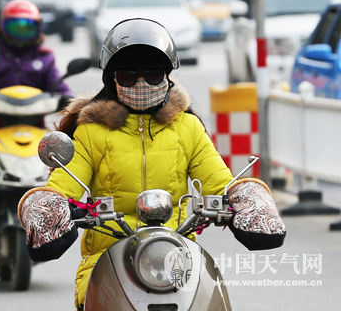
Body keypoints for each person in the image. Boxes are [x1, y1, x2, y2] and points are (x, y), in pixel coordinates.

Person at [17, 18, 286, 310]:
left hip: (178, 254)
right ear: (113, 79)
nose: (142, 83)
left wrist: (249, 199)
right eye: (129, 75)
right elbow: (63, 186)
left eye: (154, 74)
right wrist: (47, 207)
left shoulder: (188, 127)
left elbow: (220, 181)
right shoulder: (90, 132)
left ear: (168, 77)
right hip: (107, 257)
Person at [0, 0, 71, 110]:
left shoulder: (44, 57)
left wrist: (68, 100)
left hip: (35, 123)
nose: (21, 33)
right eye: (15, 28)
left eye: (27, 27)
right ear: (2, 27)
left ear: (38, 28)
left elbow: (59, 87)